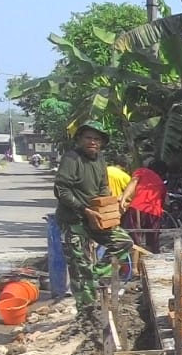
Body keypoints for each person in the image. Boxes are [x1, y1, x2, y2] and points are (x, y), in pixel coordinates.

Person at [53, 121, 134, 318]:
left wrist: (109, 210)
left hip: (96, 217)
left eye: (97, 139)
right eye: (88, 137)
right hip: (74, 218)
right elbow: (61, 190)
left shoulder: (99, 160)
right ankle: (86, 313)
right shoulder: (72, 158)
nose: (93, 142)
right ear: (80, 139)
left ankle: (95, 273)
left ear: (102, 143)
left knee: (124, 242)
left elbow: (103, 188)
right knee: (78, 264)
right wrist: (85, 209)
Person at [125, 161, 167, 252]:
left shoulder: (142, 171)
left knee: (133, 239)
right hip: (155, 212)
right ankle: (153, 259)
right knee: (153, 242)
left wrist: (124, 198)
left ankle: (134, 261)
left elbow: (133, 182)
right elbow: (164, 203)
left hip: (138, 207)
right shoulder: (161, 182)